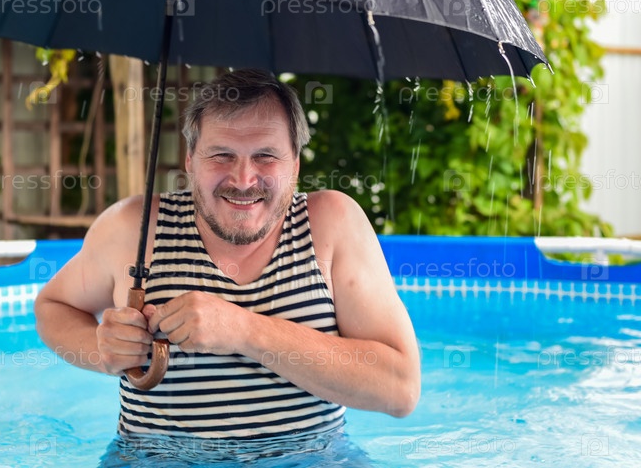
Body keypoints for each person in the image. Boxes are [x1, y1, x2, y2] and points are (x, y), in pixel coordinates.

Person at [34, 69, 420, 441]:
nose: (243, 180)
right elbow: (53, 306)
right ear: (190, 160)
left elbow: (400, 389)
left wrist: (244, 331)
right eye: (221, 155)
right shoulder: (134, 228)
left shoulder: (331, 225)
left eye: (266, 156)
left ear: (295, 165)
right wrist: (101, 351)